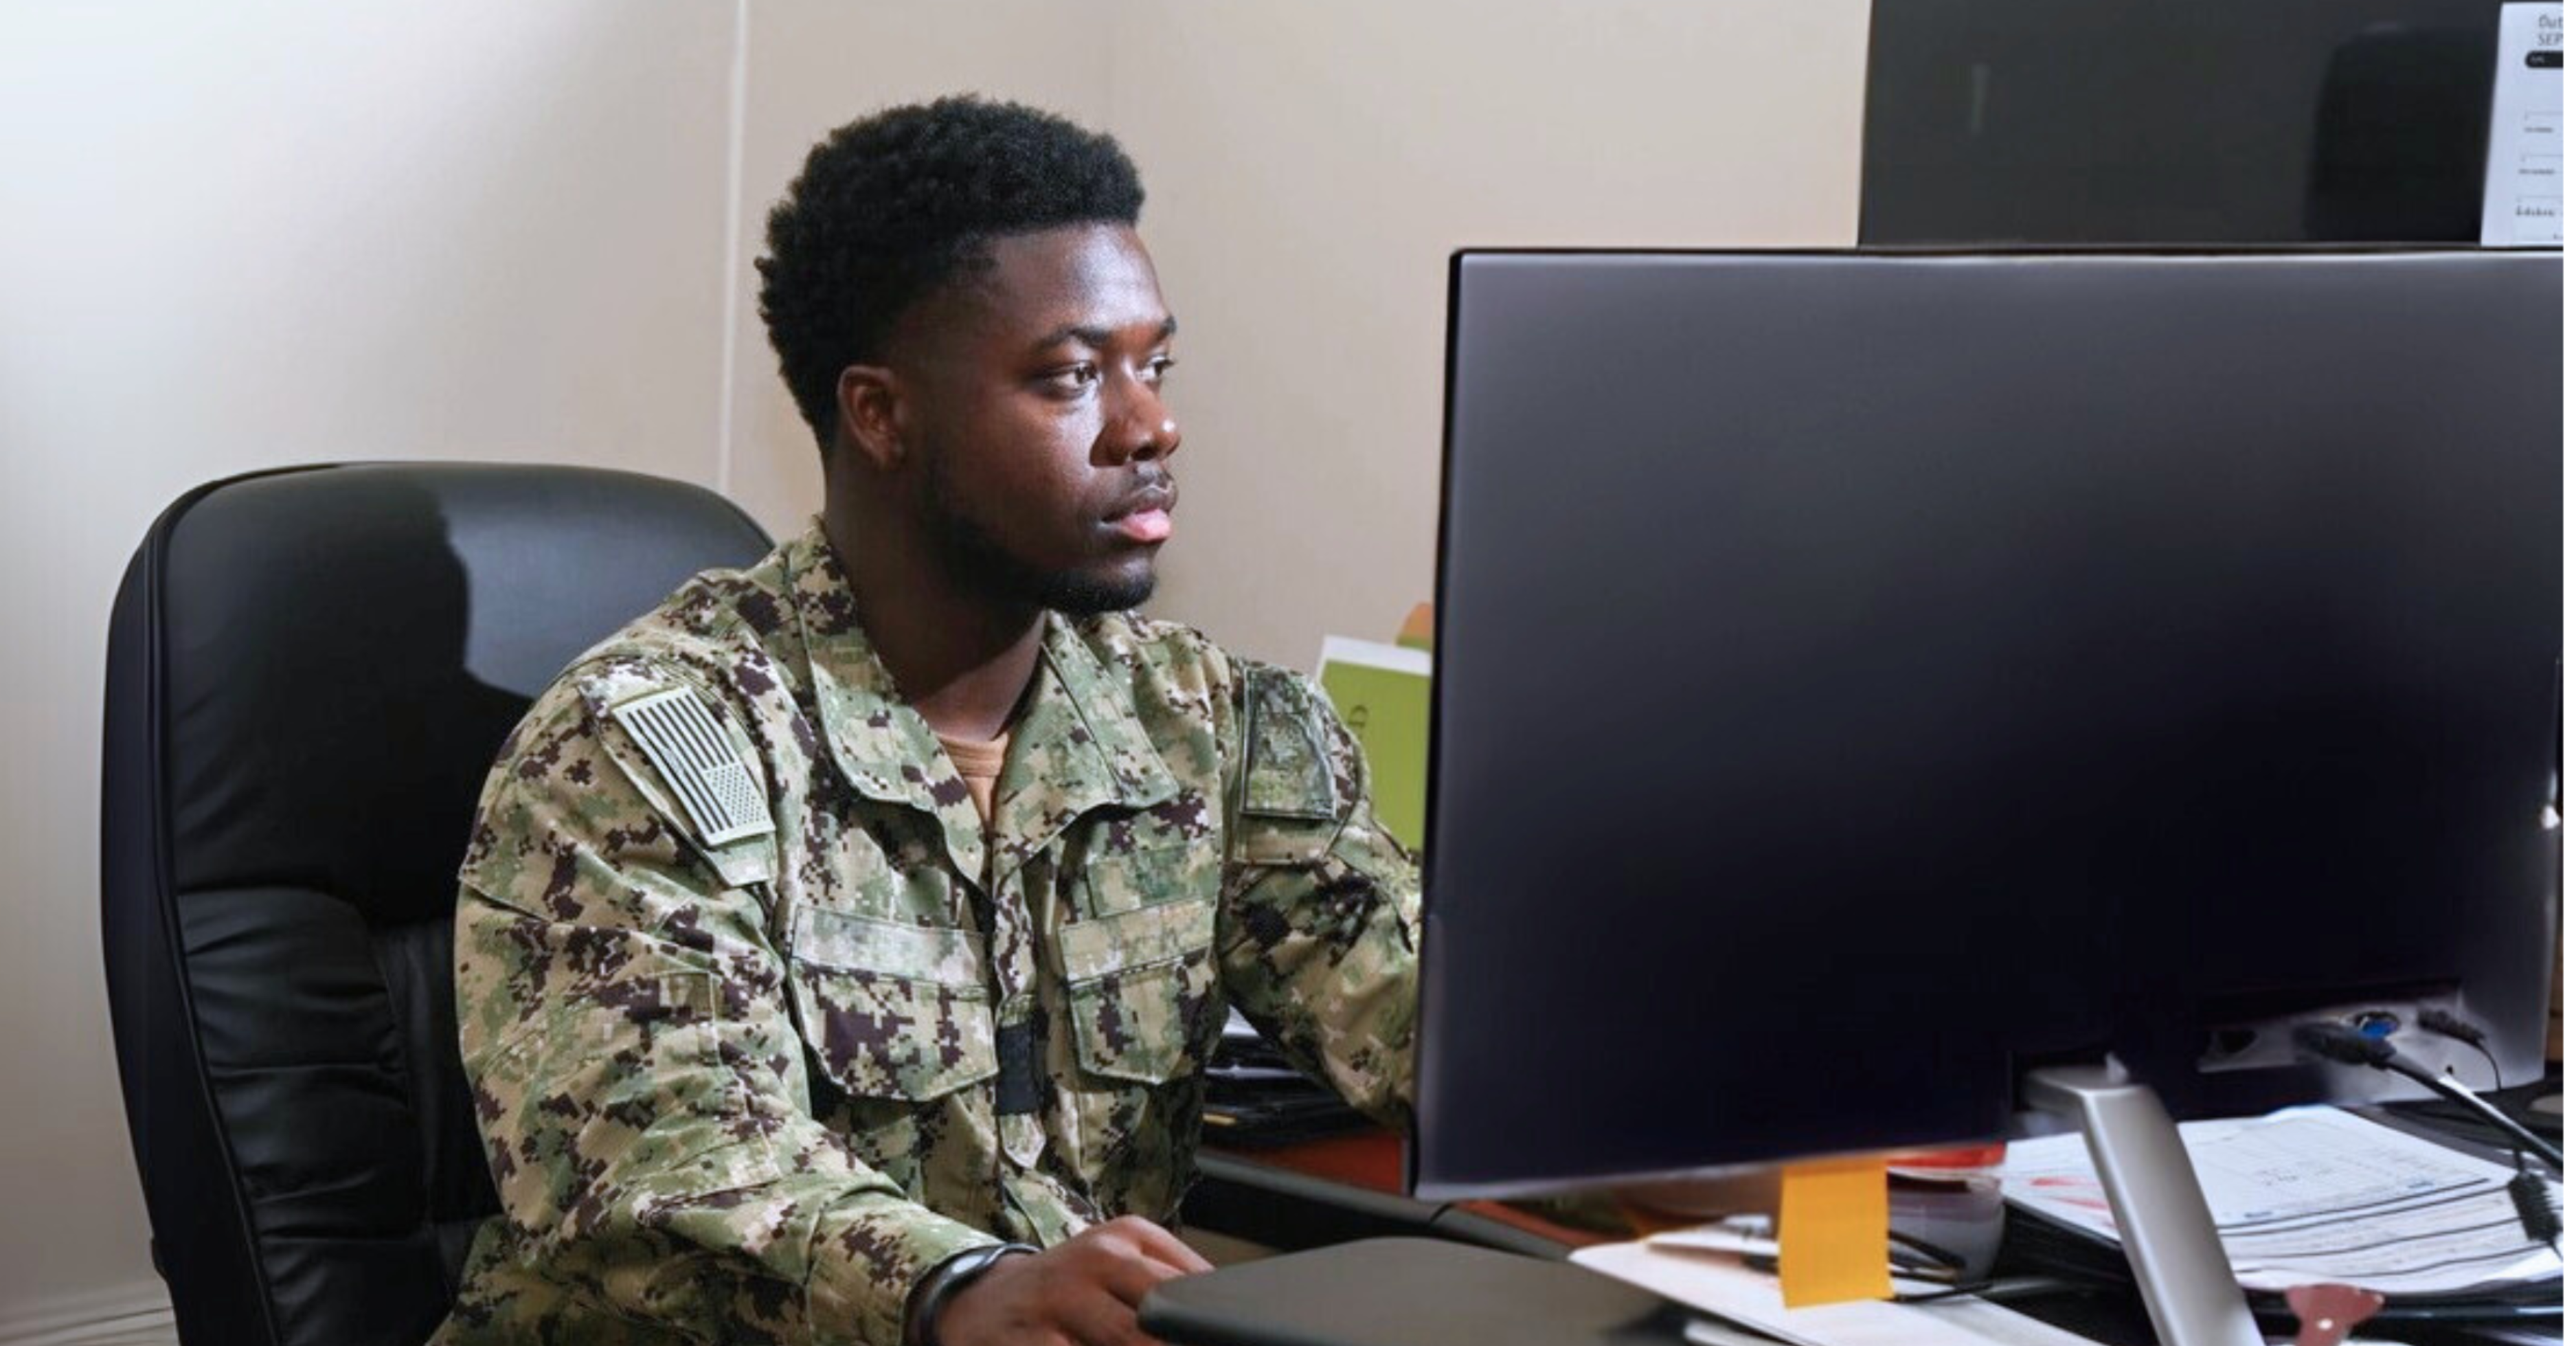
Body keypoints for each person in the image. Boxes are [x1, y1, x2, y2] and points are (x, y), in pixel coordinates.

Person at [432, 96, 1421, 1346]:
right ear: (881, 414)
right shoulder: (642, 750)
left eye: (1153, 365)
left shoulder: (1211, 728)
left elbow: (1412, 1003)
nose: (1150, 425)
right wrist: (952, 1287)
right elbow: (657, 1156)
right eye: (1070, 377)